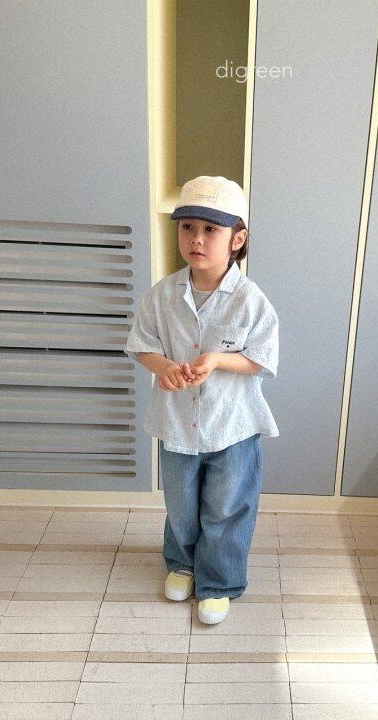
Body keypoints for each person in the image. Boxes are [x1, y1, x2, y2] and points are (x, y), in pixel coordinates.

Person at [125, 175, 279, 624]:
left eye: (211, 229)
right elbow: (143, 345)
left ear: (237, 239)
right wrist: (164, 368)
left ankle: (219, 582)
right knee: (181, 502)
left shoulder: (251, 301)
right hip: (176, 422)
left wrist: (217, 360)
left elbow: (261, 359)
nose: (196, 238)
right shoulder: (162, 295)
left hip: (233, 426)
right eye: (188, 227)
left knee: (226, 507)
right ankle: (183, 564)